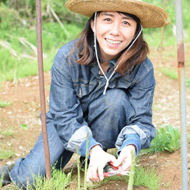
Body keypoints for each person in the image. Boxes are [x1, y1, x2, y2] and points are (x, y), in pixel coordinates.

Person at [0, 0, 170, 189]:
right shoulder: (67, 57)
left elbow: (142, 120)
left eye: (126, 23)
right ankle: (14, 170)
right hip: (65, 123)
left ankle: (92, 158)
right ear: (93, 24)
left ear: (137, 30)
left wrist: (130, 147)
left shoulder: (143, 68)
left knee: (116, 100)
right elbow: (64, 116)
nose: (115, 31)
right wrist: (92, 147)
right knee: (29, 180)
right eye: (107, 19)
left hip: (104, 116)